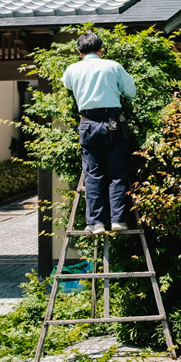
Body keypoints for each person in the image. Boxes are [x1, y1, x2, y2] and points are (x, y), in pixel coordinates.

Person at [61, 32, 137, 235]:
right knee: (117, 173)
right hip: (112, 122)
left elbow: (67, 85)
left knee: (93, 174)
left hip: (87, 123)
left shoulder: (72, 69)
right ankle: (118, 219)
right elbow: (131, 92)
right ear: (101, 49)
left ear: (79, 52)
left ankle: (95, 223)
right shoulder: (112, 66)